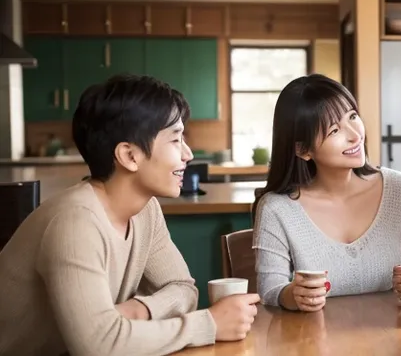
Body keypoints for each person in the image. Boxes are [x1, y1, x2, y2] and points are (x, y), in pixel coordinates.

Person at [0, 74, 260, 356]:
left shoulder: (145, 210)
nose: (187, 154)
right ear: (129, 156)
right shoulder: (75, 221)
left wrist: (137, 311)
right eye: (175, 140)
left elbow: (183, 289)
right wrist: (208, 324)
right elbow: (98, 346)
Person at [252, 74, 401, 312]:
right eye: (334, 130)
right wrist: (293, 295)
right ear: (303, 149)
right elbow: (270, 290)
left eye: (352, 117)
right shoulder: (276, 208)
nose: (355, 135)